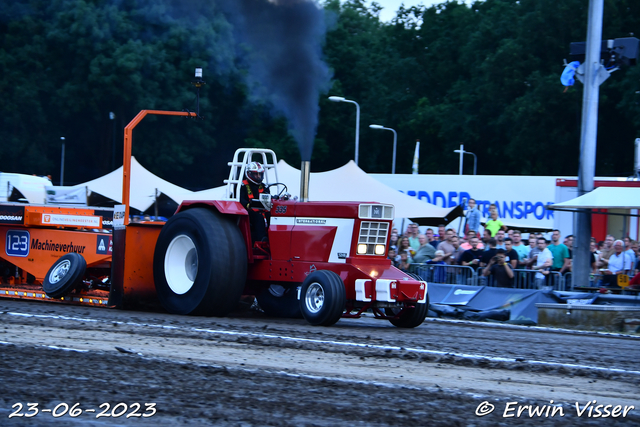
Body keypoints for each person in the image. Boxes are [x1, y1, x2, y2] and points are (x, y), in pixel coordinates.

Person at [240, 161, 271, 242]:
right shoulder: (242, 186)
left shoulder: (264, 186)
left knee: (272, 216)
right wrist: (248, 205)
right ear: (249, 174)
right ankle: (262, 239)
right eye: (255, 174)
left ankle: (273, 237)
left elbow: (268, 198)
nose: (258, 176)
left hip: (263, 210)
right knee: (259, 218)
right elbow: (240, 199)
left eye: (260, 174)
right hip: (247, 212)